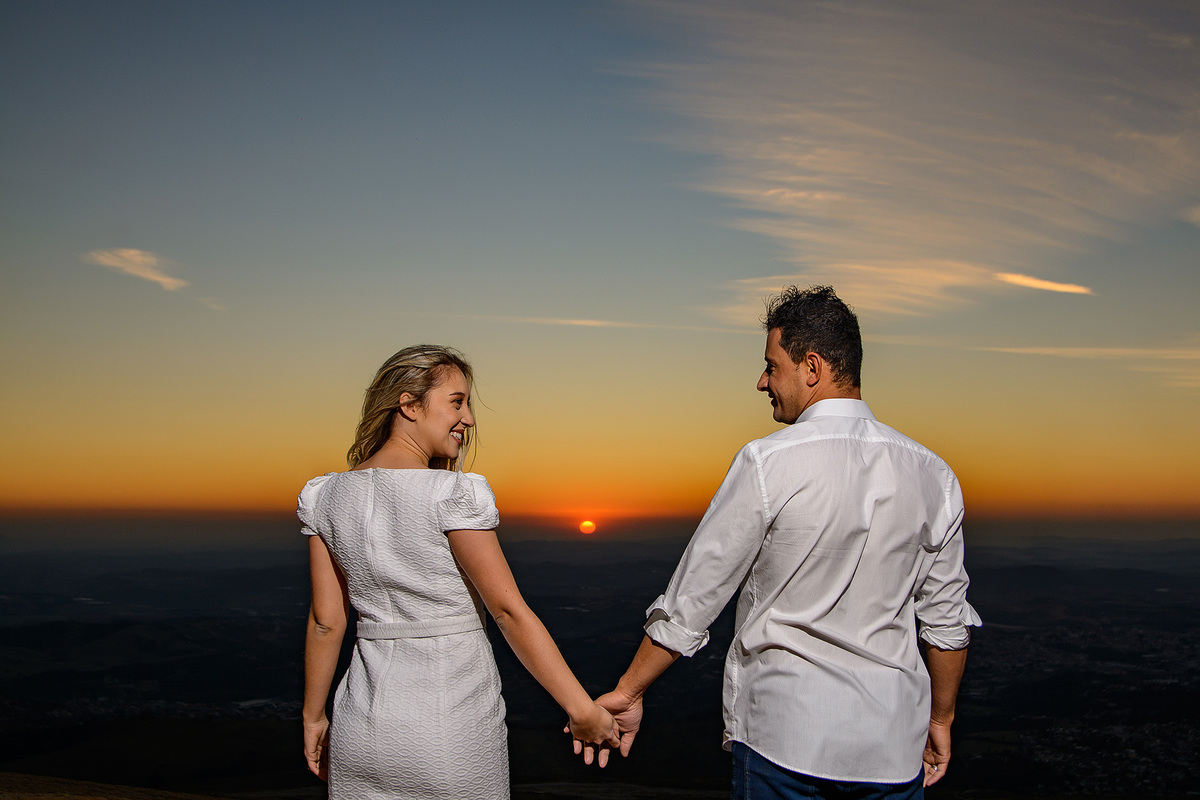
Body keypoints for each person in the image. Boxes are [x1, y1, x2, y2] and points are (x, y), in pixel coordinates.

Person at [580, 286, 981, 799]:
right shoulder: (935, 476)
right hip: (891, 751)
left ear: (811, 368)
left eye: (772, 366)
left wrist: (631, 690)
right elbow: (946, 623)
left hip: (784, 740)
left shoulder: (767, 463)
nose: (761, 381)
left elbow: (693, 602)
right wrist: (941, 718)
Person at [300, 344, 618, 799]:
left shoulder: (325, 495)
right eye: (457, 401)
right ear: (409, 405)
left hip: (360, 726)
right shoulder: (450, 494)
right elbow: (507, 611)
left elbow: (326, 621)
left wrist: (314, 717)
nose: (469, 419)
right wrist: (581, 709)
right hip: (448, 727)